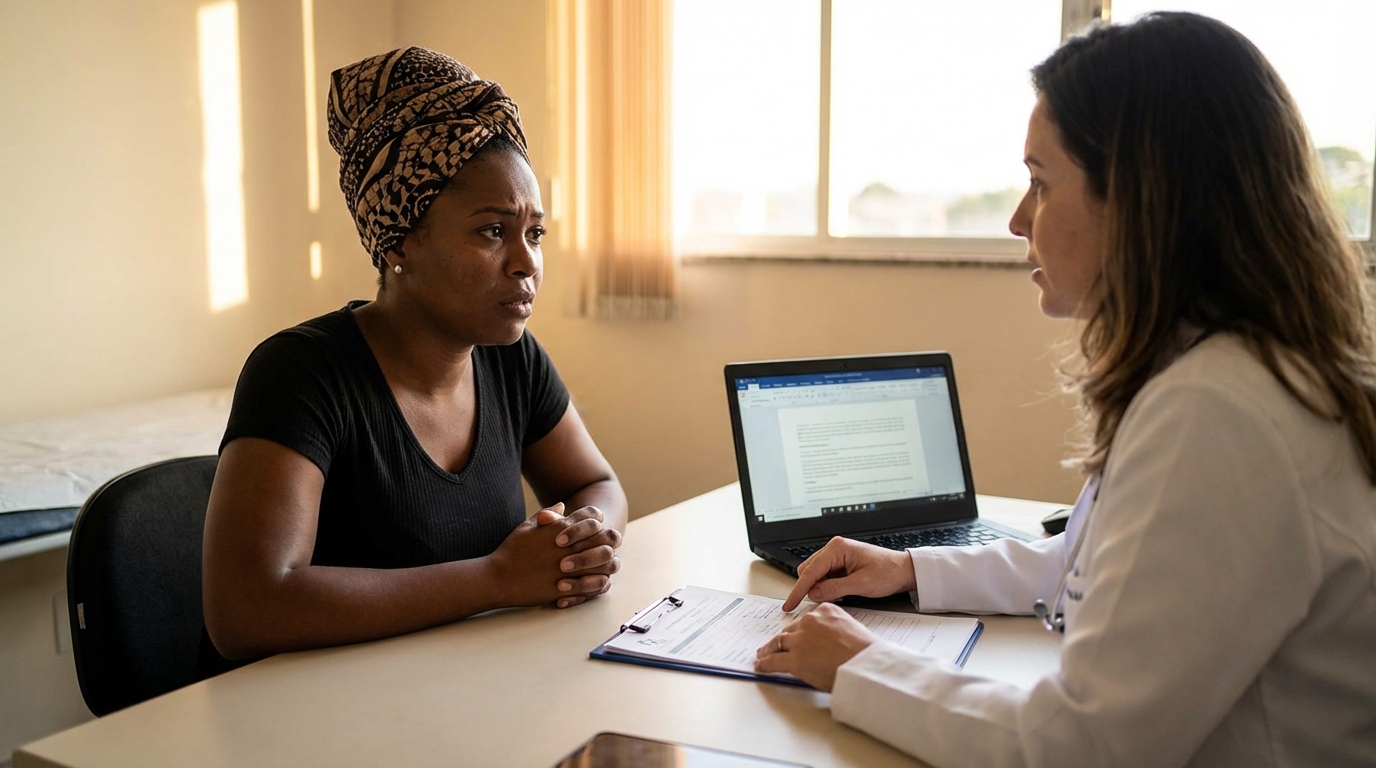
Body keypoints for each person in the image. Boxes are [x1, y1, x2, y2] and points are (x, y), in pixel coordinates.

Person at [755, 12, 1376, 767]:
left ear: (1143, 201)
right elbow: (1086, 571)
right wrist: (909, 568)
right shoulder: (1238, 368)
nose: (1019, 219)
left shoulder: (1219, 412)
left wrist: (861, 665)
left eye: (1041, 183)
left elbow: (1080, 746)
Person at [203, 47, 627, 660]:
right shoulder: (302, 373)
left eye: (534, 233)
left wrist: (587, 536)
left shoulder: (511, 357)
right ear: (400, 239)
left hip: (457, 689)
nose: (527, 262)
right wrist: (498, 578)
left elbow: (595, 481)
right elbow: (248, 608)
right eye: (492, 231)